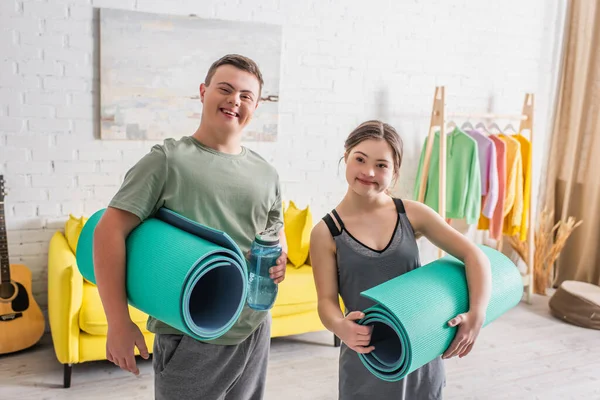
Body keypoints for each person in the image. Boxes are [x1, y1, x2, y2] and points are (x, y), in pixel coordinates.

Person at [93, 54, 288, 400]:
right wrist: (118, 323)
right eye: (225, 89)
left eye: (246, 96)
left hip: (255, 329)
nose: (234, 100)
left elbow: (274, 238)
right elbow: (109, 231)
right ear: (203, 92)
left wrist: (280, 260)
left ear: (255, 107)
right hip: (189, 335)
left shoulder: (267, 175)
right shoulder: (167, 160)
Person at [309, 120, 492, 399]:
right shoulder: (325, 232)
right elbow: (326, 301)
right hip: (367, 357)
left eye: (382, 165)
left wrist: (476, 314)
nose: (369, 172)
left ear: (394, 172)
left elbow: (474, 255)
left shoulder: (413, 214)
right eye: (360, 159)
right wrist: (339, 326)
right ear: (346, 157)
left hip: (420, 352)